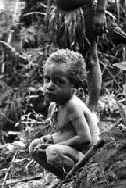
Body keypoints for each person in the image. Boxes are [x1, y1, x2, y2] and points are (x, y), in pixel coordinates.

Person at [29, 49, 100, 179]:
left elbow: (85, 139)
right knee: (34, 146)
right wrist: (49, 139)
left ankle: (80, 178)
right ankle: (66, 178)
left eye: (59, 82)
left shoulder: (73, 106)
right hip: (74, 153)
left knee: (53, 152)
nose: (50, 86)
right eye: (47, 79)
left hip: (89, 158)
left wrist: (56, 145)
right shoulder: (57, 105)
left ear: (74, 87)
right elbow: (66, 132)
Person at [46, 0, 107, 114]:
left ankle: (92, 108)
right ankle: (64, 106)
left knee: (90, 59)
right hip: (60, 14)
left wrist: (100, 11)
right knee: (63, 60)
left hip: (84, 11)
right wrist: (49, 7)